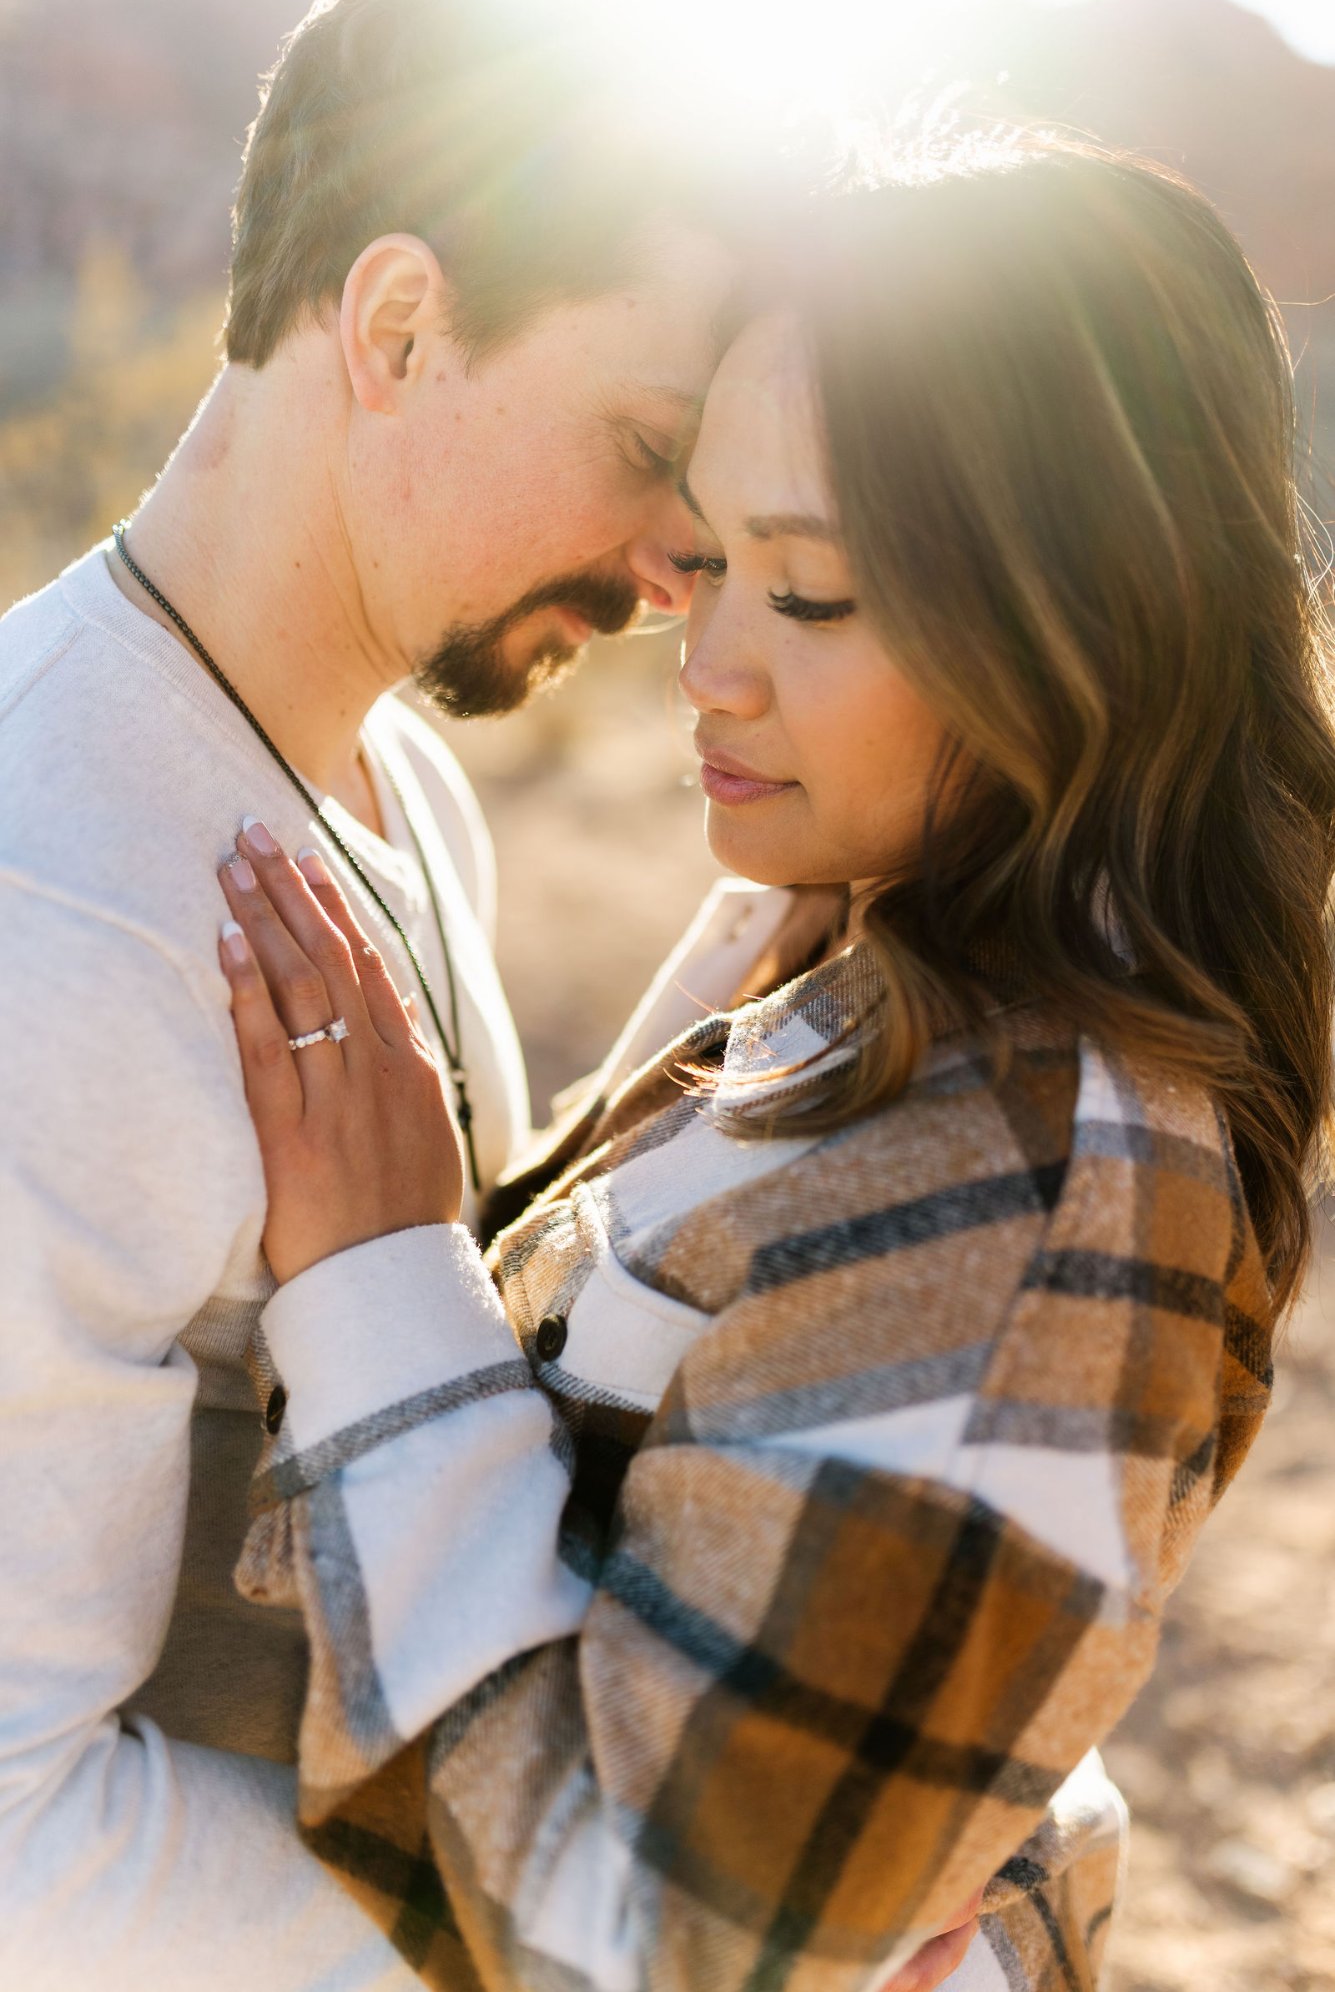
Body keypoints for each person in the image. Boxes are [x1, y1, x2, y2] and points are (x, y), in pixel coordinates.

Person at [211, 137, 1335, 1991]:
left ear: (1088, 622)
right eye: (715, 555)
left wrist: (374, 1285)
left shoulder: (1034, 1203)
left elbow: (635, 1949)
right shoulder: (855, 960)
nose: (708, 661)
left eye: (809, 596)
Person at [0, 0, 772, 1984]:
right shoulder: (47, 906)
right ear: (400, 324)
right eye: (651, 446)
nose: (685, 562)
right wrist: (578, 1937)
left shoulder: (388, 771)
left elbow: (420, 1332)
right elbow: (15, 1848)